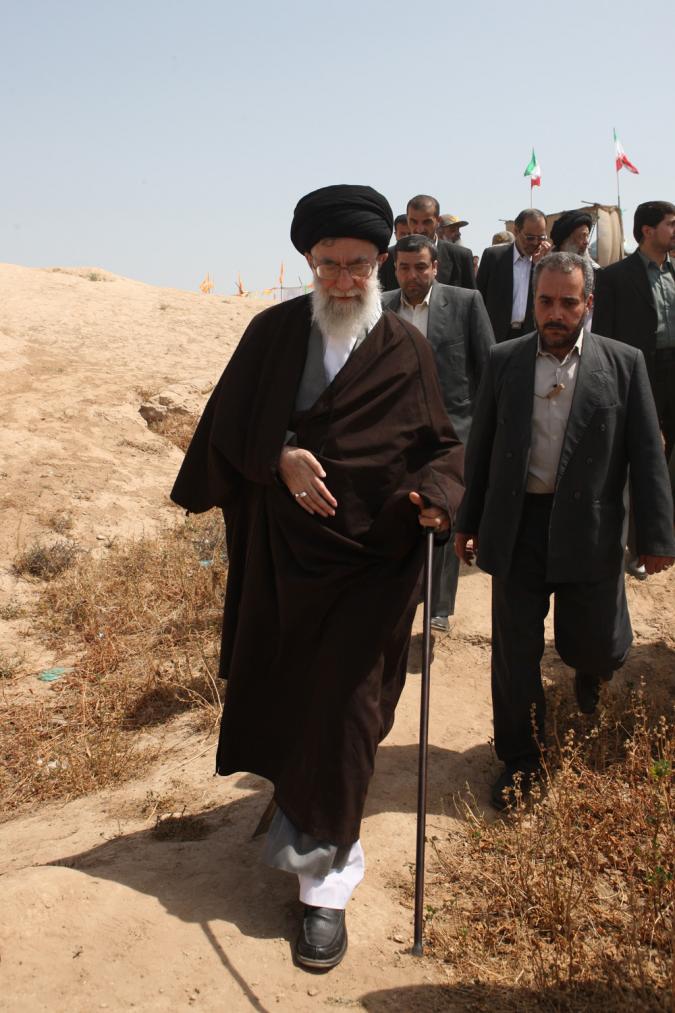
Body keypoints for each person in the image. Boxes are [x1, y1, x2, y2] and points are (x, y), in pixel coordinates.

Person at [171, 184, 465, 970]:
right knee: (295, 698)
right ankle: (300, 807)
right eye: (327, 264)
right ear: (308, 260)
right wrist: (279, 456)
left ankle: (325, 888)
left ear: (382, 262)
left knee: (346, 712)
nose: (341, 279)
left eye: (356, 265)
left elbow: (441, 447)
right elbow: (224, 431)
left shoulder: (404, 350)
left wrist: (437, 498)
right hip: (284, 562)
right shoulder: (271, 334)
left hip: (375, 565)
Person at [455, 252, 675, 810]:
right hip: (518, 527)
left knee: (598, 646)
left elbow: (647, 455)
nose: (555, 313)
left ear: (588, 304)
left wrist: (655, 537)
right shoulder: (505, 360)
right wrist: (468, 520)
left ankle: (590, 671)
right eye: (546, 301)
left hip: (591, 530)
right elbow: (481, 448)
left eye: (568, 303)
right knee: (515, 655)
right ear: (534, 302)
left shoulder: (623, 364)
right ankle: (522, 760)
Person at [381, 234, 494, 631]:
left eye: (420, 267)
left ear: (435, 267)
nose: (412, 275)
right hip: (396, 432)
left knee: (444, 511)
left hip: (452, 430)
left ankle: (439, 607)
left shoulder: (465, 303)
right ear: (395, 269)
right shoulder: (380, 308)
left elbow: (488, 368)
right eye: (404, 268)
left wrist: (484, 430)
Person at [593, 200, 675, 459]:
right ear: (647, 231)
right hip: (641, 375)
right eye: (671, 224)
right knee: (646, 450)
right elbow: (603, 338)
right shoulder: (613, 277)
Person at [476, 209, 551, 341]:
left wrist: (539, 266)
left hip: (529, 337)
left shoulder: (546, 264)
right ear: (516, 231)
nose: (535, 243)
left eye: (541, 238)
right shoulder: (494, 257)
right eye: (530, 238)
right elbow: (478, 299)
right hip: (495, 337)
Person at [379, 194, 475, 291]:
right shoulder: (388, 258)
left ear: (438, 221)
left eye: (426, 222)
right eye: (414, 222)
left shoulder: (460, 257)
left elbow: (471, 297)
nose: (420, 229)